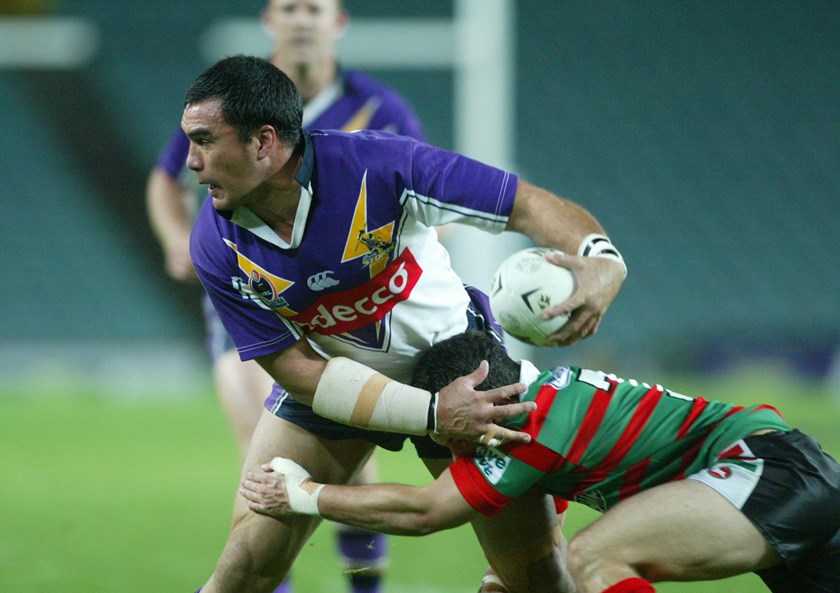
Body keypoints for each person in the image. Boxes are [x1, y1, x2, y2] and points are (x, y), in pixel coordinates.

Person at [183, 54, 627, 593]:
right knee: (248, 559)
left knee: (536, 573)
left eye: (205, 140)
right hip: (333, 381)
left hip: (461, 371)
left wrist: (602, 259)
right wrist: (432, 415)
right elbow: (294, 367)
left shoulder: (380, 166)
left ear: (264, 142)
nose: (191, 160)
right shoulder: (216, 242)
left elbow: (524, 205)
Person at [146, 1, 426, 591]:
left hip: (337, 305)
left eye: (314, 7)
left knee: (350, 446)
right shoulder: (231, 100)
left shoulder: (379, 109)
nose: (301, 19)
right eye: (288, 7)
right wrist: (177, 239)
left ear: (339, 23)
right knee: (265, 450)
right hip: (252, 291)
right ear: (269, 20)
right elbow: (164, 177)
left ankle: (364, 583)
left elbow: (422, 201)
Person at [242, 330, 840, 593]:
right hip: (784, 469)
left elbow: (427, 510)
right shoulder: (549, 404)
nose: (457, 449)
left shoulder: (529, 429)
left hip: (764, 468)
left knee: (594, 557)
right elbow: (540, 520)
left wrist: (304, 492)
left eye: (456, 433)